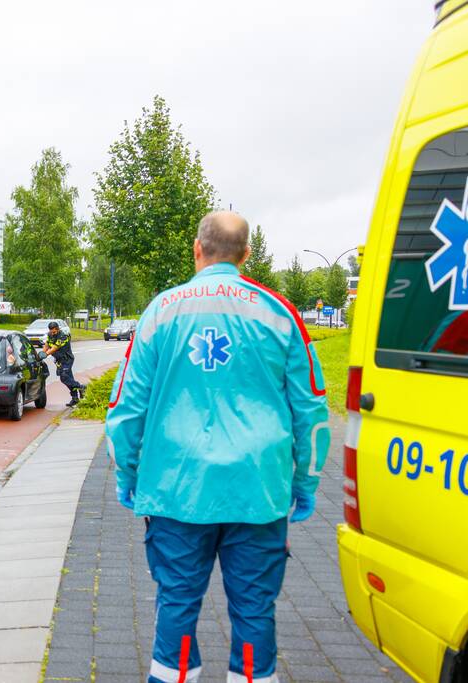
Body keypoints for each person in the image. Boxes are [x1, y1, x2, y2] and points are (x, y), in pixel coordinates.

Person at [105, 211, 330, 683]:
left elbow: (126, 410)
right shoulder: (280, 313)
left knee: (178, 607)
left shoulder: (161, 312)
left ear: (197, 248)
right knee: (253, 612)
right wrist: (306, 482)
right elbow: (310, 410)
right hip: (258, 492)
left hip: (176, 491)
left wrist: (129, 476)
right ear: (246, 255)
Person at [40, 321, 85, 406]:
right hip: (59, 360)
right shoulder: (50, 335)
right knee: (69, 378)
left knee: (64, 377)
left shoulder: (63, 336)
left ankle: (81, 387)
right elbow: (47, 345)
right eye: (51, 331)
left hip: (67, 359)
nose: (52, 333)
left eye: (54, 332)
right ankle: (75, 398)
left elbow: (54, 348)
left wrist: (46, 354)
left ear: (57, 329)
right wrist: (41, 354)